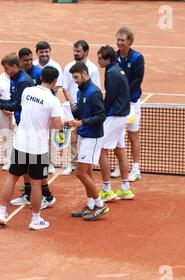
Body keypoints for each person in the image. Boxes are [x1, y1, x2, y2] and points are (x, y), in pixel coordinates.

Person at [0, 66, 64, 230]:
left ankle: (2, 212)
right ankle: (36, 219)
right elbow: (57, 125)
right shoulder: (53, 100)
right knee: (36, 184)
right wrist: (64, 121)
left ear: (41, 78)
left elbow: (24, 108)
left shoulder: (28, 92)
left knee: (12, 177)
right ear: (54, 82)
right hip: (38, 148)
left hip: (21, 143)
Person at [0, 53, 56, 210]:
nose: (5, 72)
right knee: (26, 167)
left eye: (7, 69)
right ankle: (28, 193)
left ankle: (46, 196)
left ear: (14, 67)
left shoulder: (23, 82)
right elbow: (14, 101)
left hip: (31, 130)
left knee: (35, 168)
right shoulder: (16, 78)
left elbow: (18, 105)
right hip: (22, 126)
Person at [67, 62, 108, 221]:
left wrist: (82, 123)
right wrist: (74, 114)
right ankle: (90, 204)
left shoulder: (94, 92)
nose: (75, 80)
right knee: (88, 172)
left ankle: (100, 205)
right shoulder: (80, 91)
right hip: (84, 135)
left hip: (93, 137)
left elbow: (101, 116)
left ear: (84, 74)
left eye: (76, 77)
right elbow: (82, 113)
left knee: (80, 173)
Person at [97, 45, 135, 202]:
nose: (98, 61)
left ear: (108, 59)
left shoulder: (112, 73)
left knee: (102, 151)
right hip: (123, 116)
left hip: (114, 116)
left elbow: (110, 97)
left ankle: (107, 190)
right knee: (120, 149)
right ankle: (125, 188)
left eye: (100, 58)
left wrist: (102, 113)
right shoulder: (117, 69)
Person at [62, 40, 101, 176]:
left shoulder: (93, 69)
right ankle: (73, 163)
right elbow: (65, 87)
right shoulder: (68, 67)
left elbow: (96, 91)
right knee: (73, 138)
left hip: (87, 109)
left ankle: (84, 164)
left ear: (85, 52)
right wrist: (72, 104)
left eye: (78, 51)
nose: (75, 53)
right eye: (74, 50)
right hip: (74, 106)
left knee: (84, 137)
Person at [111, 27, 145, 182]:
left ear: (130, 41)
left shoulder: (137, 58)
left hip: (131, 104)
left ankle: (136, 169)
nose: (119, 43)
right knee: (118, 134)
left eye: (122, 40)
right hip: (118, 105)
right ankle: (120, 166)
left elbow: (137, 81)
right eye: (118, 40)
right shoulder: (113, 57)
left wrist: (123, 93)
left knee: (132, 135)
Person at [33, 41, 64, 174]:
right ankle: (36, 161)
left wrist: (44, 94)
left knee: (50, 136)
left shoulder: (56, 66)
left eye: (46, 51)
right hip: (37, 105)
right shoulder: (34, 65)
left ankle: (49, 162)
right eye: (41, 52)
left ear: (50, 52)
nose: (44, 54)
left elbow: (56, 86)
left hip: (50, 106)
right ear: (37, 53)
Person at [0, 71, 13, 171]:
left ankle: (18, 161)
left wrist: (12, 109)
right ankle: (7, 161)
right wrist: (4, 108)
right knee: (5, 136)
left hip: (16, 110)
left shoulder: (20, 78)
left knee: (18, 135)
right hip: (2, 110)